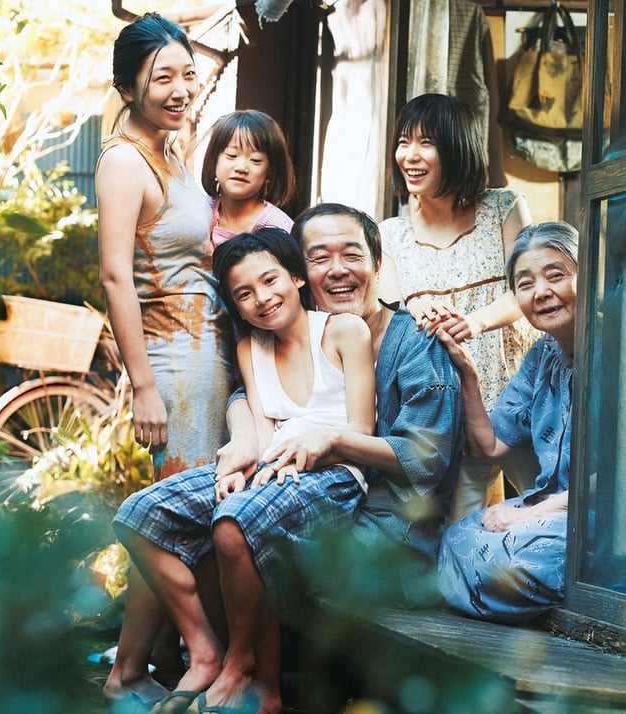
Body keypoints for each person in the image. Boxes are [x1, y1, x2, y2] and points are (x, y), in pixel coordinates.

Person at [112, 204, 465, 713]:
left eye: (352, 254)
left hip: (386, 527)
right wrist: (244, 439)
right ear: (304, 271)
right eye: (320, 257)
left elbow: (423, 461)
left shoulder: (414, 341)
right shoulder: (278, 337)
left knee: (236, 529)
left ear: (379, 262)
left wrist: (330, 442)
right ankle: (208, 662)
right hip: (293, 480)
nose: (337, 269)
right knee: (182, 514)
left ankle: (245, 674)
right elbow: (255, 399)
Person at [96, 13, 233, 702]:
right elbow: (117, 275)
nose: (180, 89)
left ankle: (129, 669)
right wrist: (142, 384)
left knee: (177, 517)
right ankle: (178, 658)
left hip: (206, 357)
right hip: (171, 364)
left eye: (187, 73)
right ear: (129, 85)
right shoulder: (125, 160)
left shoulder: (175, 152)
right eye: (162, 77)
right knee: (174, 518)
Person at [378, 92, 538, 521]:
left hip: (517, 392)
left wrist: (474, 321)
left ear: (457, 147)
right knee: (460, 525)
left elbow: (527, 289)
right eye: (403, 141)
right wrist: (420, 311)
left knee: (551, 501)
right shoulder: (389, 235)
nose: (409, 155)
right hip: (447, 402)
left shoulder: (504, 208)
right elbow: (393, 315)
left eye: (426, 142)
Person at [436, 221, 578, 624]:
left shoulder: (614, 349)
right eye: (525, 283)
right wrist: (468, 375)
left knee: (509, 563)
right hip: (550, 510)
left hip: (597, 523)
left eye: (556, 276)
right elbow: (489, 445)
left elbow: (609, 490)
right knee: (454, 539)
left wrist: (528, 516)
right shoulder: (543, 356)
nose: (542, 293)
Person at [201, 109, 296, 247]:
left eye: (255, 160)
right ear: (214, 162)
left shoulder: (277, 226)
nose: (241, 168)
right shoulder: (200, 210)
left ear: (269, 174)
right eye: (232, 155)